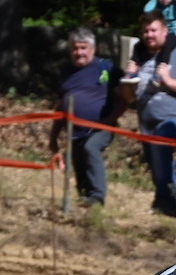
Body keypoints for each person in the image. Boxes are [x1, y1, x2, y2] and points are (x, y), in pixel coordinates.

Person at [127, 12, 176, 219]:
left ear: (164, 31)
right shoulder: (139, 58)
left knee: (161, 145)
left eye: (153, 30)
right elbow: (128, 98)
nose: (149, 35)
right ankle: (163, 201)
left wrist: (169, 82)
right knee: (155, 161)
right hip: (147, 123)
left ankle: (171, 203)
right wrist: (127, 78)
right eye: (145, 31)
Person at [49, 29, 124, 208]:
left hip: (102, 127)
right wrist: (53, 137)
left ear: (93, 49)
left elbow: (125, 99)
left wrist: (110, 120)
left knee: (91, 148)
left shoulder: (107, 68)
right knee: (78, 161)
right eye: (75, 48)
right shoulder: (66, 71)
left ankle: (97, 196)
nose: (79, 52)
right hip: (74, 130)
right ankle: (84, 200)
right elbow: (60, 105)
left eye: (83, 48)